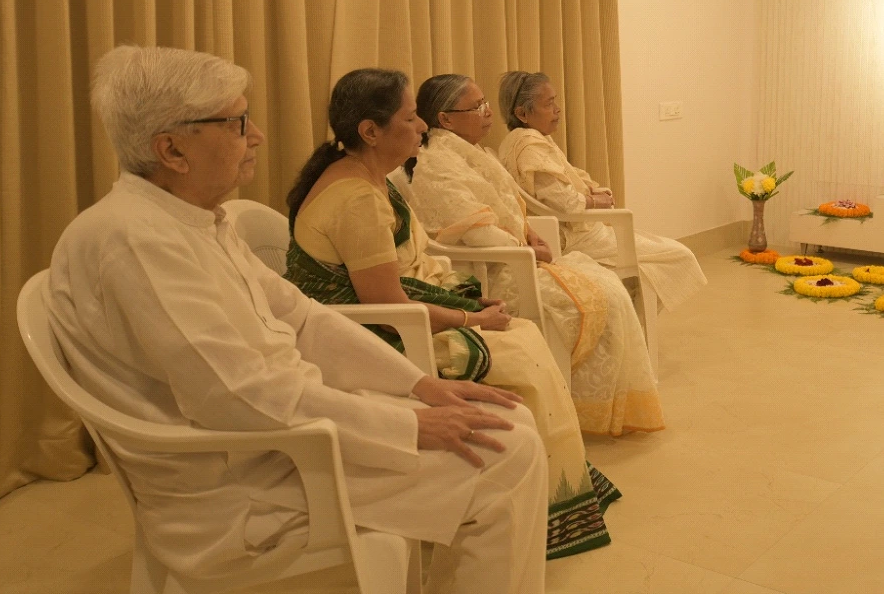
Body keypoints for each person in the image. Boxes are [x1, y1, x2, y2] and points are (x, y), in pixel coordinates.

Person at [45, 46, 546, 592]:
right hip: (244, 481)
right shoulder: (134, 241)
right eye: (238, 123)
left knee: (510, 425)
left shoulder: (192, 220)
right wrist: (410, 425)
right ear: (172, 150)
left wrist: (420, 386)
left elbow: (304, 319)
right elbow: (237, 395)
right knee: (507, 452)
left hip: (283, 439)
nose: (257, 135)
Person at [284, 67, 618, 559]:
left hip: (389, 313)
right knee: (521, 347)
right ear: (371, 131)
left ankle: (554, 491)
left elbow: (406, 269)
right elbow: (388, 308)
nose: (422, 126)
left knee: (525, 334)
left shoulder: (365, 176)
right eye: (410, 117)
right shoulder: (356, 197)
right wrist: (470, 319)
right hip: (374, 336)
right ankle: (547, 505)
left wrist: (466, 302)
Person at [390, 75, 664, 438]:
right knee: (603, 296)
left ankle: (600, 401)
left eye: (486, 103)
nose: (489, 113)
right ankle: (578, 407)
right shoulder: (437, 162)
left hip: (514, 254)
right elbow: (475, 232)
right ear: (445, 119)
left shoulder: (477, 153)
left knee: (609, 286)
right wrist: (525, 249)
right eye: (478, 107)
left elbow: (510, 208)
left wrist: (529, 232)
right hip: (490, 271)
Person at [495, 70, 707, 314]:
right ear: (522, 114)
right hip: (575, 237)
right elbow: (565, 202)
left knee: (651, 268)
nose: (557, 110)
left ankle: (637, 325)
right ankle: (637, 326)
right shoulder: (530, 145)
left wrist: (594, 191)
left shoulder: (520, 140)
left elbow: (570, 174)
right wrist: (595, 201)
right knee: (678, 255)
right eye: (549, 104)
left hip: (581, 229)